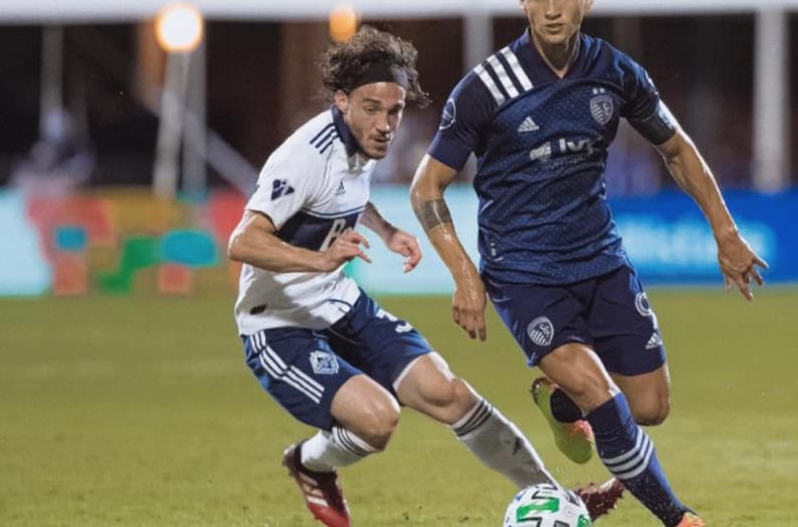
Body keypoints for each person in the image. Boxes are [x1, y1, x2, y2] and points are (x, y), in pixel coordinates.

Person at [410, 0, 768, 527]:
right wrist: (464, 275)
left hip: (601, 261)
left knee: (649, 407)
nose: (551, 9)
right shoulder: (486, 87)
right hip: (524, 274)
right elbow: (427, 187)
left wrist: (725, 232)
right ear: (522, 1)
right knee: (604, 400)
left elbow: (677, 149)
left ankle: (558, 401)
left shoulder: (615, 72)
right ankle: (678, 517)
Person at [226, 26, 621, 527]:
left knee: (449, 393)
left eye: (394, 111)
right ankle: (309, 463)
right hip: (279, 324)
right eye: (372, 108)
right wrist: (319, 261)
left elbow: (343, 193)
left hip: (339, 303)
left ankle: (555, 498)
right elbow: (243, 241)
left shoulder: (360, 142)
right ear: (341, 100)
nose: (385, 124)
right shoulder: (302, 157)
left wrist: (386, 230)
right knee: (378, 420)